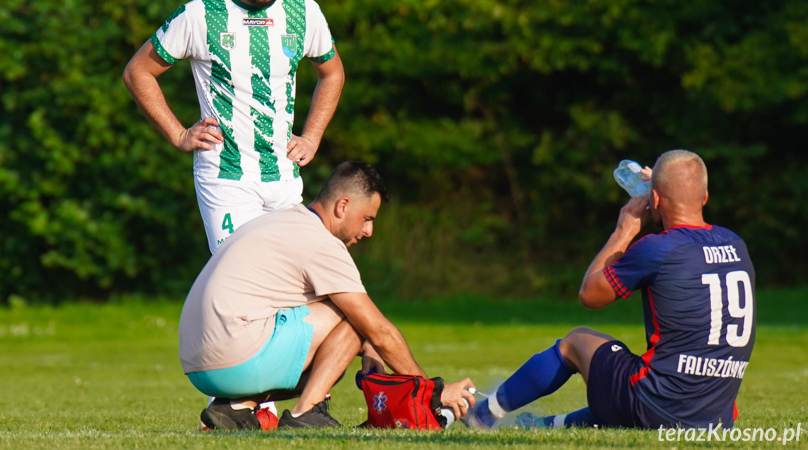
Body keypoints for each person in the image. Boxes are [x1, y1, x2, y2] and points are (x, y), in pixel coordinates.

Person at [463, 149, 755, 430]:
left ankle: (482, 415)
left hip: (658, 407)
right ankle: (547, 425)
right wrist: (667, 187)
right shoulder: (737, 245)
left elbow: (590, 295)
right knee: (633, 380)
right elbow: (691, 222)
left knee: (577, 341)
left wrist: (624, 231)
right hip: (715, 415)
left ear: (654, 197)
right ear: (705, 196)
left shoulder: (658, 249)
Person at [178, 161, 477, 430]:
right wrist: (431, 395)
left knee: (336, 348)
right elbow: (379, 329)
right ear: (343, 206)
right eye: (367, 218)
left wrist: (369, 347)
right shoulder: (322, 244)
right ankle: (305, 413)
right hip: (235, 359)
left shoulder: (284, 221)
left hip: (199, 367)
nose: (369, 230)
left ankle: (236, 407)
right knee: (353, 317)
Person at [122, 0, 345, 253]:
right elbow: (138, 72)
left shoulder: (305, 11)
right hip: (226, 177)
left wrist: (312, 136)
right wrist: (178, 134)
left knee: (289, 280)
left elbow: (332, 73)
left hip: (283, 176)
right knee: (241, 275)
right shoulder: (200, 15)